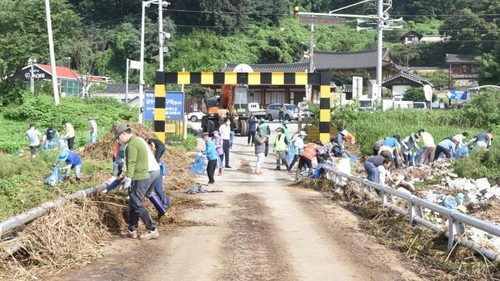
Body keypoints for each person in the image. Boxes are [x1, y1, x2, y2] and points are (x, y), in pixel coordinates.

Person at [114, 123, 159, 240]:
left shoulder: (132, 145)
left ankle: (152, 229)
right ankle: (132, 229)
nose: (119, 140)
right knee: (134, 201)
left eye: (119, 137)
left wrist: (128, 177)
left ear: (123, 134)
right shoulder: (138, 140)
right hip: (145, 173)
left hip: (141, 175)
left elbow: (132, 162)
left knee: (137, 202)